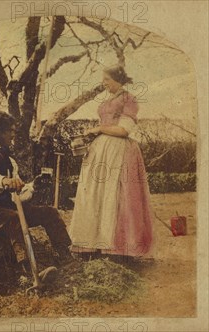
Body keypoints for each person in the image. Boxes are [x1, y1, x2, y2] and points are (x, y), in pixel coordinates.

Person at [0, 111, 75, 281]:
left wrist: (32, 187)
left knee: (49, 213)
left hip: (8, 207)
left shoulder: (10, 160)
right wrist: (3, 181)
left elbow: (18, 194)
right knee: (15, 218)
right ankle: (28, 272)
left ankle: (66, 257)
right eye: (9, 130)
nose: (13, 134)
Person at [69, 66, 153, 259]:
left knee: (115, 196)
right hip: (101, 151)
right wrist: (94, 134)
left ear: (117, 79)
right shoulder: (109, 100)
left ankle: (116, 248)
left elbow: (124, 130)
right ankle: (91, 245)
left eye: (107, 79)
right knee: (94, 195)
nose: (104, 83)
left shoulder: (128, 99)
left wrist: (97, 129)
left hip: (119, 151)